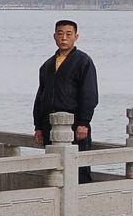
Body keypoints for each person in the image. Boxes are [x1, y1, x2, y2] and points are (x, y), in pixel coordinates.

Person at [32, 18, 98, 149]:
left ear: (76, 37)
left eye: (68, 34)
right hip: (49, 124)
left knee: (76, 160)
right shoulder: (47, 65)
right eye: (60, 34)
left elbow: (89, 94)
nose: (64, 38)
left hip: (74, 124)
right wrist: (38, 126)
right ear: (54, 36)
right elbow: (40, 97)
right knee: (53, 160)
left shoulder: (83, 61)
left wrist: (84, 122)